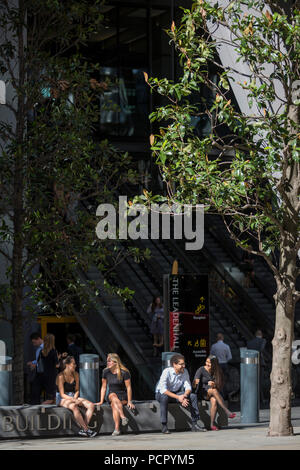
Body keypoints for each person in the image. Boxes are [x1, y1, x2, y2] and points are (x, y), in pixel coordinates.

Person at [155, 353, 206, 434]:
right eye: (181, 364)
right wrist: (178, 397)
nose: (184, 366)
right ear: (174, 364)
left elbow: (188, 387)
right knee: (164, 397)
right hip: (162, 394)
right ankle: (164, 426)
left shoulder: (184, 371)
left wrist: (184, 396)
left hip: (176, 393)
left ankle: (194, 424)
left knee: (192, 396)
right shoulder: (166, 372)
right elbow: (163, 390)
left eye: (184, 363)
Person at [56, 356, 97, 437]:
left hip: (72, 396)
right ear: (67, 365)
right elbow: (62, 394)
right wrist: (74, 400)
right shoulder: (60, 376)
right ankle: (86, 430)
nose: (75, 366)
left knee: (91, 405)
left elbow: (77, 390)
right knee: (74, 406)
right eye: (73, 364)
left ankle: (83, 429)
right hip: (62, 398)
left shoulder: (76, 374)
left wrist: (75, 398)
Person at [96, 353, 135, 436]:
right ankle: (123, 417)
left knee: (114, 404)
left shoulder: (124, 372)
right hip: (111, 394)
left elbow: (128, 388)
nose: (107, 363)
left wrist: (129, 401)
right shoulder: (105, 372)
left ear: (116, 362)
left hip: (122, 395)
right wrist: (101, 401)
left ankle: (117, 429)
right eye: (107, 361)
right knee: (113, 396)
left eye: (109, 361)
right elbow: (103, 387)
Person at [193, 355, 236, 431]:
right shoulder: (201, 369)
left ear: (214, 364)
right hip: (202, 392)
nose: (207, 364)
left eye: (209, 363)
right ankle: (226, 411)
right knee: (214, 390)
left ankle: (212, 424)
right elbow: (194, 385)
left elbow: (220, 386)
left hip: (213, 394)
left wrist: (214, 384)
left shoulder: (217, 371)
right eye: (206, 362)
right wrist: (196, 382)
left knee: (214, 401)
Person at [247, 330, 267, 404]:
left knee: (252, 381)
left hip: (251, 362)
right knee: (260, 381)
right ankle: (260, 399)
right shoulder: (263, 340)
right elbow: (261, 349)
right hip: (260, 362)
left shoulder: (250, 342)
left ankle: (253, 398)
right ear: (261, 334)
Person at [40, 333, 60, 404]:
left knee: (52, 398)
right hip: (53, 376)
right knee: (51, 399)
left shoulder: (42, 352)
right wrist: (58, 358)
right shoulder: (53, 351)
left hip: (45, 375)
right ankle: (39, 409)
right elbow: (57, 365)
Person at [27, 332, 44, 405]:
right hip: (39, 373)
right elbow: (38, 359)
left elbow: (45, 361)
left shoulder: (46, 347)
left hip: (46, 373)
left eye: (34, 342)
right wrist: (33, 362)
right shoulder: (38, 349)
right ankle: (35, 407)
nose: (34, 344)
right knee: (35, 392)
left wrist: (35, 364)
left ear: (39, 339)